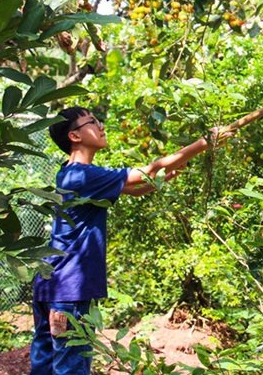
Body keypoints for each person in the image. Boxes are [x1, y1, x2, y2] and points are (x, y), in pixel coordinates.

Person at [29, 107, 231, 375]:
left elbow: (135, 188)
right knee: (71, 367)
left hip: (50, 286)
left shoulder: (71, 173)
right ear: (75, 135)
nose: (101, 126)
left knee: (44, 366)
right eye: (93, 122)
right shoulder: (84, 175)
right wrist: (206, 142)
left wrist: (158, 180)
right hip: (69, 291)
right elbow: (151, 168)